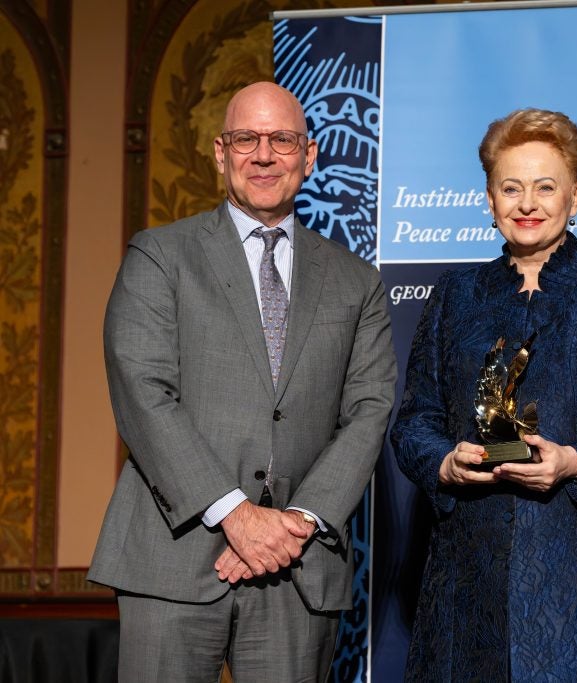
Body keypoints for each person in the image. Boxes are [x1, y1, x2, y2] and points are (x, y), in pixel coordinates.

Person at [88, 81, 396, 681]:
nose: (263, 155)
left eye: (281, 139)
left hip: (297, 571)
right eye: (245, 139)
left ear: (309, 156)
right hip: (170, 563)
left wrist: (299, 522)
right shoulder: (159, 256)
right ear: (219, 152)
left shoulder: (358, 283)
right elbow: (144, 394)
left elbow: (370, 410)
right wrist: (235, 513)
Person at [390, 108, 577, 681]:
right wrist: (444, 463)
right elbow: (413, 420)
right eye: (510, 188)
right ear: (490, 201)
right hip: (470, 571)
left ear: (576, 196)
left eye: (546, 187)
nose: (527, 203)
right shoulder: (454, 294)